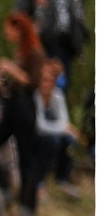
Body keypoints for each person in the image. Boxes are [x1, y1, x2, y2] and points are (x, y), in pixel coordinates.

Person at [0, 12, 45, 216]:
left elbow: (33, 83)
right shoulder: (20, 53)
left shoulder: (35, 52)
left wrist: (12, 70)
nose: (6, 33)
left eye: (8, 28)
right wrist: (1, 80)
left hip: (25, 108)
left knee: (26, 157)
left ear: (18, 29)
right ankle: (3, 189)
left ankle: (28, 206)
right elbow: (12, 86)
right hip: (11, 106)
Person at [30, 60, 82, 201]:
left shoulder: (58, 96)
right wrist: (63, 129)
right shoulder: (35, 96)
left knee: (70, 141)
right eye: (44, 80)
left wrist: (65, 128)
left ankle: (62, 179)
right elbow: (40, 126)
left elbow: (64, 120)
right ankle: (39, 183)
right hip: (36, 137)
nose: (47, 84)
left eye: (50, 80)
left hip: (52, 136)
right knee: (53, 140)